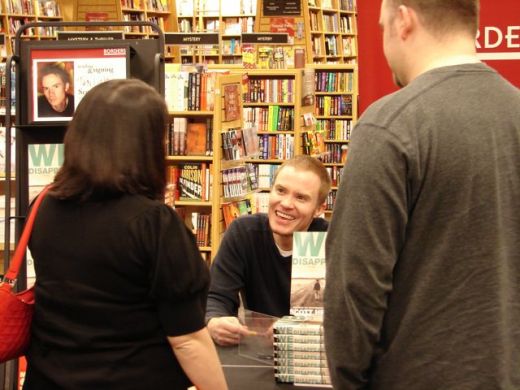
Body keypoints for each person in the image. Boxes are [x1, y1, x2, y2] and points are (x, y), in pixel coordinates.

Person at [324, 0, 520, 389]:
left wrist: (349, 380)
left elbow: (355, 286)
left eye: (381, 28)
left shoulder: (390, 125)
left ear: (404, 20)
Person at [24, 79, 227, 390]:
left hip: (48, 378)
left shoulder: (42, 206)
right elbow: (187, 340)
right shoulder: (154, 223)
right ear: (146, 144)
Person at [206, 155, 331, 346]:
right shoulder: (244, 233)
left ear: (318, 209)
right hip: (259, 352)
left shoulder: (332, 242)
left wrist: (301, 328)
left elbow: (350, 314)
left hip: (314, 359)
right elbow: (216, 297)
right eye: (280, 190)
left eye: (301, 197)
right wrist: (215, 321)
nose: (286, 204)